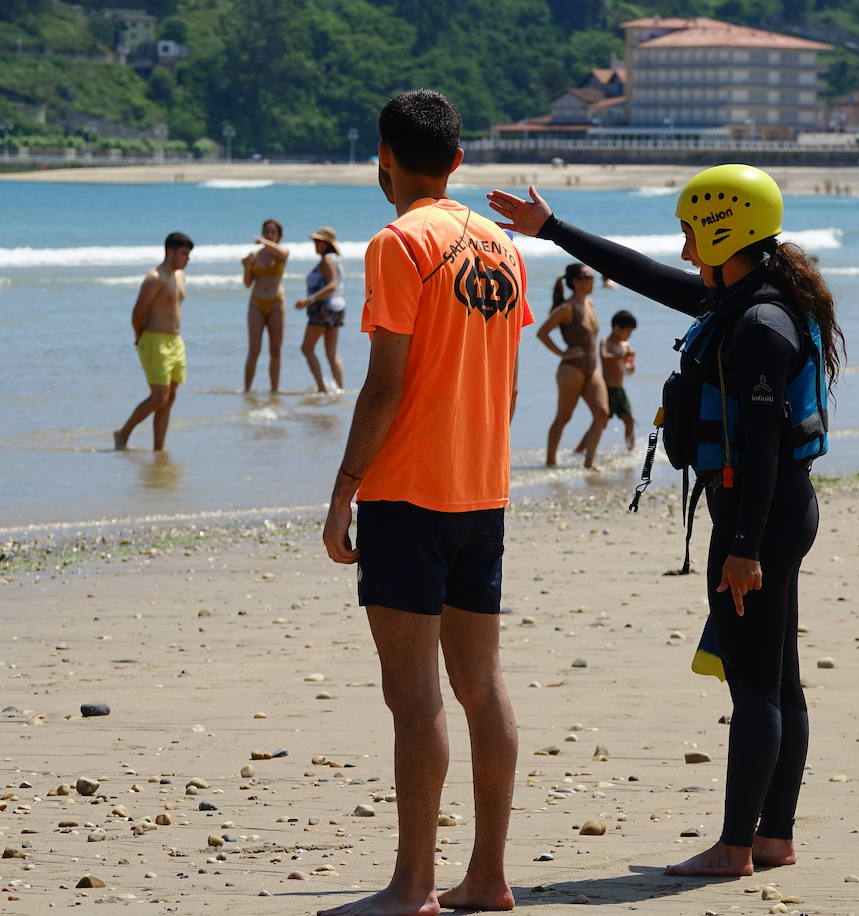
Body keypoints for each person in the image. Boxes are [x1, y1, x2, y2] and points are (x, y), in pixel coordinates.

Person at [488, 164, 842, 878]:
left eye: (690, 233)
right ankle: (773, 838)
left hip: (758, 519)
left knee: (756, 687)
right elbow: (646, 275)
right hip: (772, 513)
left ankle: (735, 847)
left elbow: (766, 447)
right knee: (778, 681)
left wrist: (744, 548)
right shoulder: (745, 301)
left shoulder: (759, 326)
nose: (684, 250)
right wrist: (551, 230)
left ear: (725, 231)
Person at [320, 88, 533, 916]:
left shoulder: (398, 243)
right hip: (483, 491)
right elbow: (508, 387)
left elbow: (383, 386)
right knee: (483, 686)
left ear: (384, 155)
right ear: (459, 158)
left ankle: (413, 887)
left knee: (413, 697)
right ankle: (488, 876)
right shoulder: (504, 249)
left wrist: (343, 492)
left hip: (409, 493)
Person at [113, 232, 192, 451]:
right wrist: (140, 336)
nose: (187, 259)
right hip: (154, 341)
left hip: (176, 342)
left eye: (188, 255)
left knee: (170, 398)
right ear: (171, 252)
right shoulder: (155, 277)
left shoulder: (180, 276)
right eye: (184, 254)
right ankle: (123, 433)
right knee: (159, 397)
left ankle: (159, 448)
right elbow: (138, 313)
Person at [535, 263, 607, 469]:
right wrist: (564, 353)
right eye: (587, 277)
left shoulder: (590, 304)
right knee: (563, 418)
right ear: (575, 282)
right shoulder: (566, 308)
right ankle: (550, 463)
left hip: (592, 368)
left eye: (593, 277)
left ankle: (589, 463)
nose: (592, 281)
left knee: (602, 413)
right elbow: (542, 333)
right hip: (571, 370)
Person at [241, 218, 290, 392]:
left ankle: (274, 390)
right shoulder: (255, 256)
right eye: (266, 231)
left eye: (273, 232)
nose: (269, 234)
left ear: (279, 235)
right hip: (257, 303)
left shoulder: (282, 252)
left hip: (277, 303)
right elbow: (247, 283)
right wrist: (247, 267)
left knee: (275, 351)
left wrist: (264, 242)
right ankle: (246, 390)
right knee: (254, 350)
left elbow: (283, 254)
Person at [295, 226, 346, 393]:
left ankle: (322, 388)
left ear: (326, 244)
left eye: (317, 241)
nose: (315, 245)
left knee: (307, 348)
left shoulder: (327, 261)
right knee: (331, 353)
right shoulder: (335, 260)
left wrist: (308, 300)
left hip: (324, 308)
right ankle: (339, 389)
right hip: (337, 308)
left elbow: (332, 286)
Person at [600, 310, 639, 451]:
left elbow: (629, 369)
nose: (629, 335)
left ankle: (631, 450)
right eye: (627, 332)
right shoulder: (606, 342)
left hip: (620, 390)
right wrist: (622, 355)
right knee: (600, 423)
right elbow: (605, 356)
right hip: (606, 389)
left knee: (629, 421)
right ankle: (580, 450)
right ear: (617, 328)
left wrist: (630, 364)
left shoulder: (626, 345)